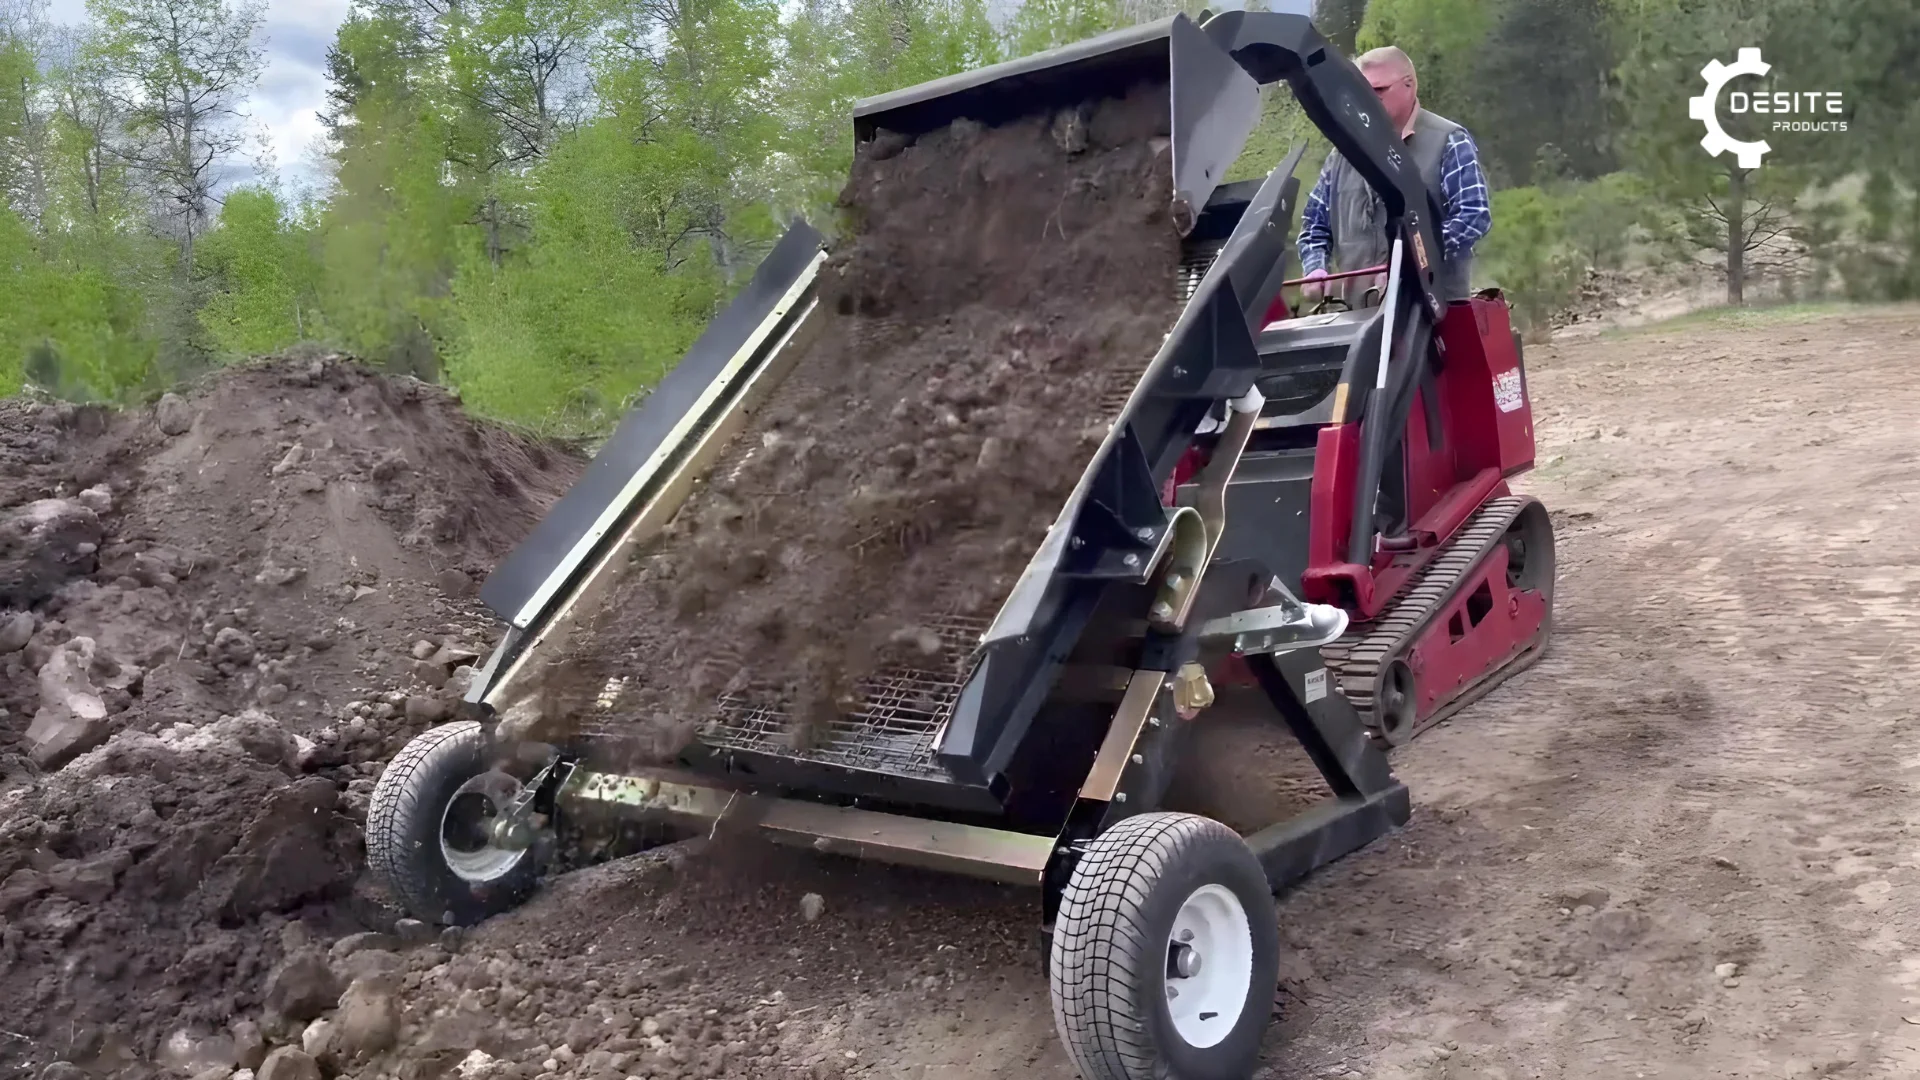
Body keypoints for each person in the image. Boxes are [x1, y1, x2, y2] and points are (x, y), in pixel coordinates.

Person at [1295, 46, 1491, 304]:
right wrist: (1315, 268)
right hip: (1359, 317)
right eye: (1362, 91)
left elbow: (1473, 216)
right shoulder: (1340, 155)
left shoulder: (1448, 140)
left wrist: (1412, 262)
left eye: (1378, 90)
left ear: (1409, 85)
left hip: (1436, 312)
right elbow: (1314, 227)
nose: (1368, 99)